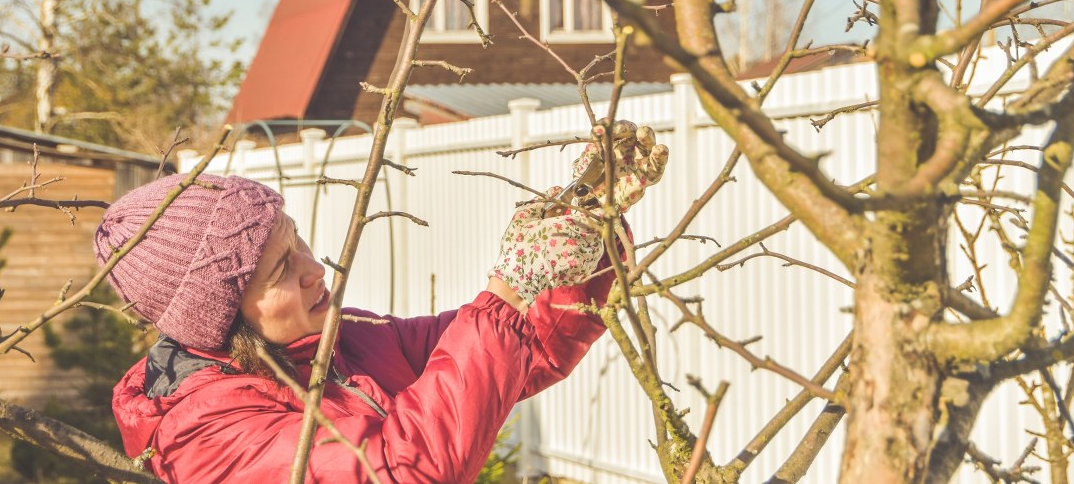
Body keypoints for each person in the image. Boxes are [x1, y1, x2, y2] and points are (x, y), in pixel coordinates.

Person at [99, 123, 667, 483]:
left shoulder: (349, 342)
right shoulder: (207, 435)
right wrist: (512, 284)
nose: (313, 268)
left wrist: (586, 222)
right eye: (280, 269)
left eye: (296, 241)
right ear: (219, 318)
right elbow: (401, 472)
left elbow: (523, 351)